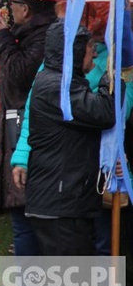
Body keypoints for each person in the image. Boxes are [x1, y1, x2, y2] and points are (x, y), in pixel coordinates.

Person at [24, 21, 116, 256]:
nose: (94, 53)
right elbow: (104, 113)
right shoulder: (58, 88)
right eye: (89, 48)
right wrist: (110, 76)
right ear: (74, 51)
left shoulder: (61, 82)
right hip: (61, 204)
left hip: (64, 200)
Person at [0, 0, 56, 257]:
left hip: (31, 136)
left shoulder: (44, 35)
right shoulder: (27, 32)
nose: (9, 9)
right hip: (17, 130)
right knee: (23, 220)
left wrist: (0, 38)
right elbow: (9, 88)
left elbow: (21, 74)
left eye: (13, 4)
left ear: (25, 9)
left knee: (30, 220)